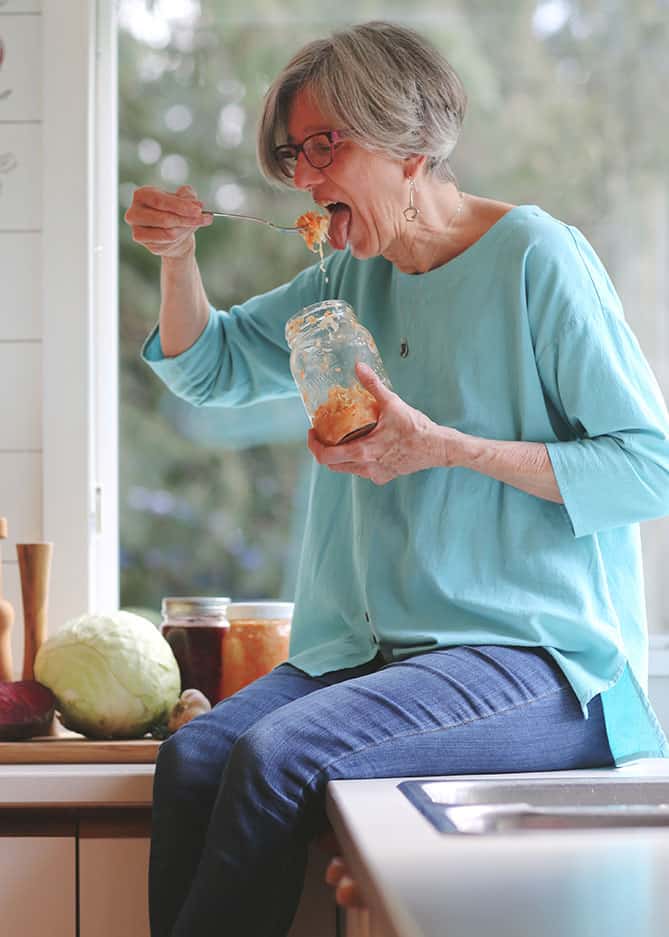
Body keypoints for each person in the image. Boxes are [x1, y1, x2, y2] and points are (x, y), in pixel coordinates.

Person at [125, 20, 669, 937]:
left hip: (539, 663)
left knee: (271, 758)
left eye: (325, 145)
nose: (303, 175)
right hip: (364, 658)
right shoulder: (344, 273)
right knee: (193, 760)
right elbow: (210, 367)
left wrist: (446, 446)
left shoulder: (536, 258)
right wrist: (178, 261)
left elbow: (647, 469)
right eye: (294, 153)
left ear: (409, 142)